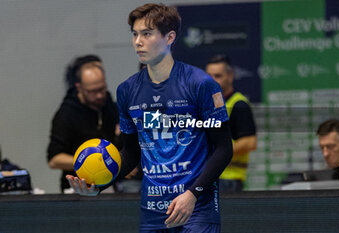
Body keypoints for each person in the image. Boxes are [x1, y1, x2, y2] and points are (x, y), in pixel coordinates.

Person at [66, 3, 233, 232]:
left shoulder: (200, 84)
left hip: (196, 210)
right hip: (153, 211)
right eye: (135, 34)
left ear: (170, 37)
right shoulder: (127, 91)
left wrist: (194, 194)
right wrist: (101, 185)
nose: (138, 41)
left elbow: (224, 149)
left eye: (147, 34)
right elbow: (131, 152)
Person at [47, 55, 121, 193]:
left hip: (107, 183)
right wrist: (88, 161)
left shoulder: (107, 102)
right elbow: (54, 159)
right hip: (76, 188)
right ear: (79, 87)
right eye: (92, 91)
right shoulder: (66, 114)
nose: (99, 95)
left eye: (102, 88)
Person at [206, 54, 257, 192]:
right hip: (207, 177)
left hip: (228, 180)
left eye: (218, 76)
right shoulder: (210, 105)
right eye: (209, 76)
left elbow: (250, 142)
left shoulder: (239, 104)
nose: (212, 80)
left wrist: (215, 154)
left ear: (230, 76)